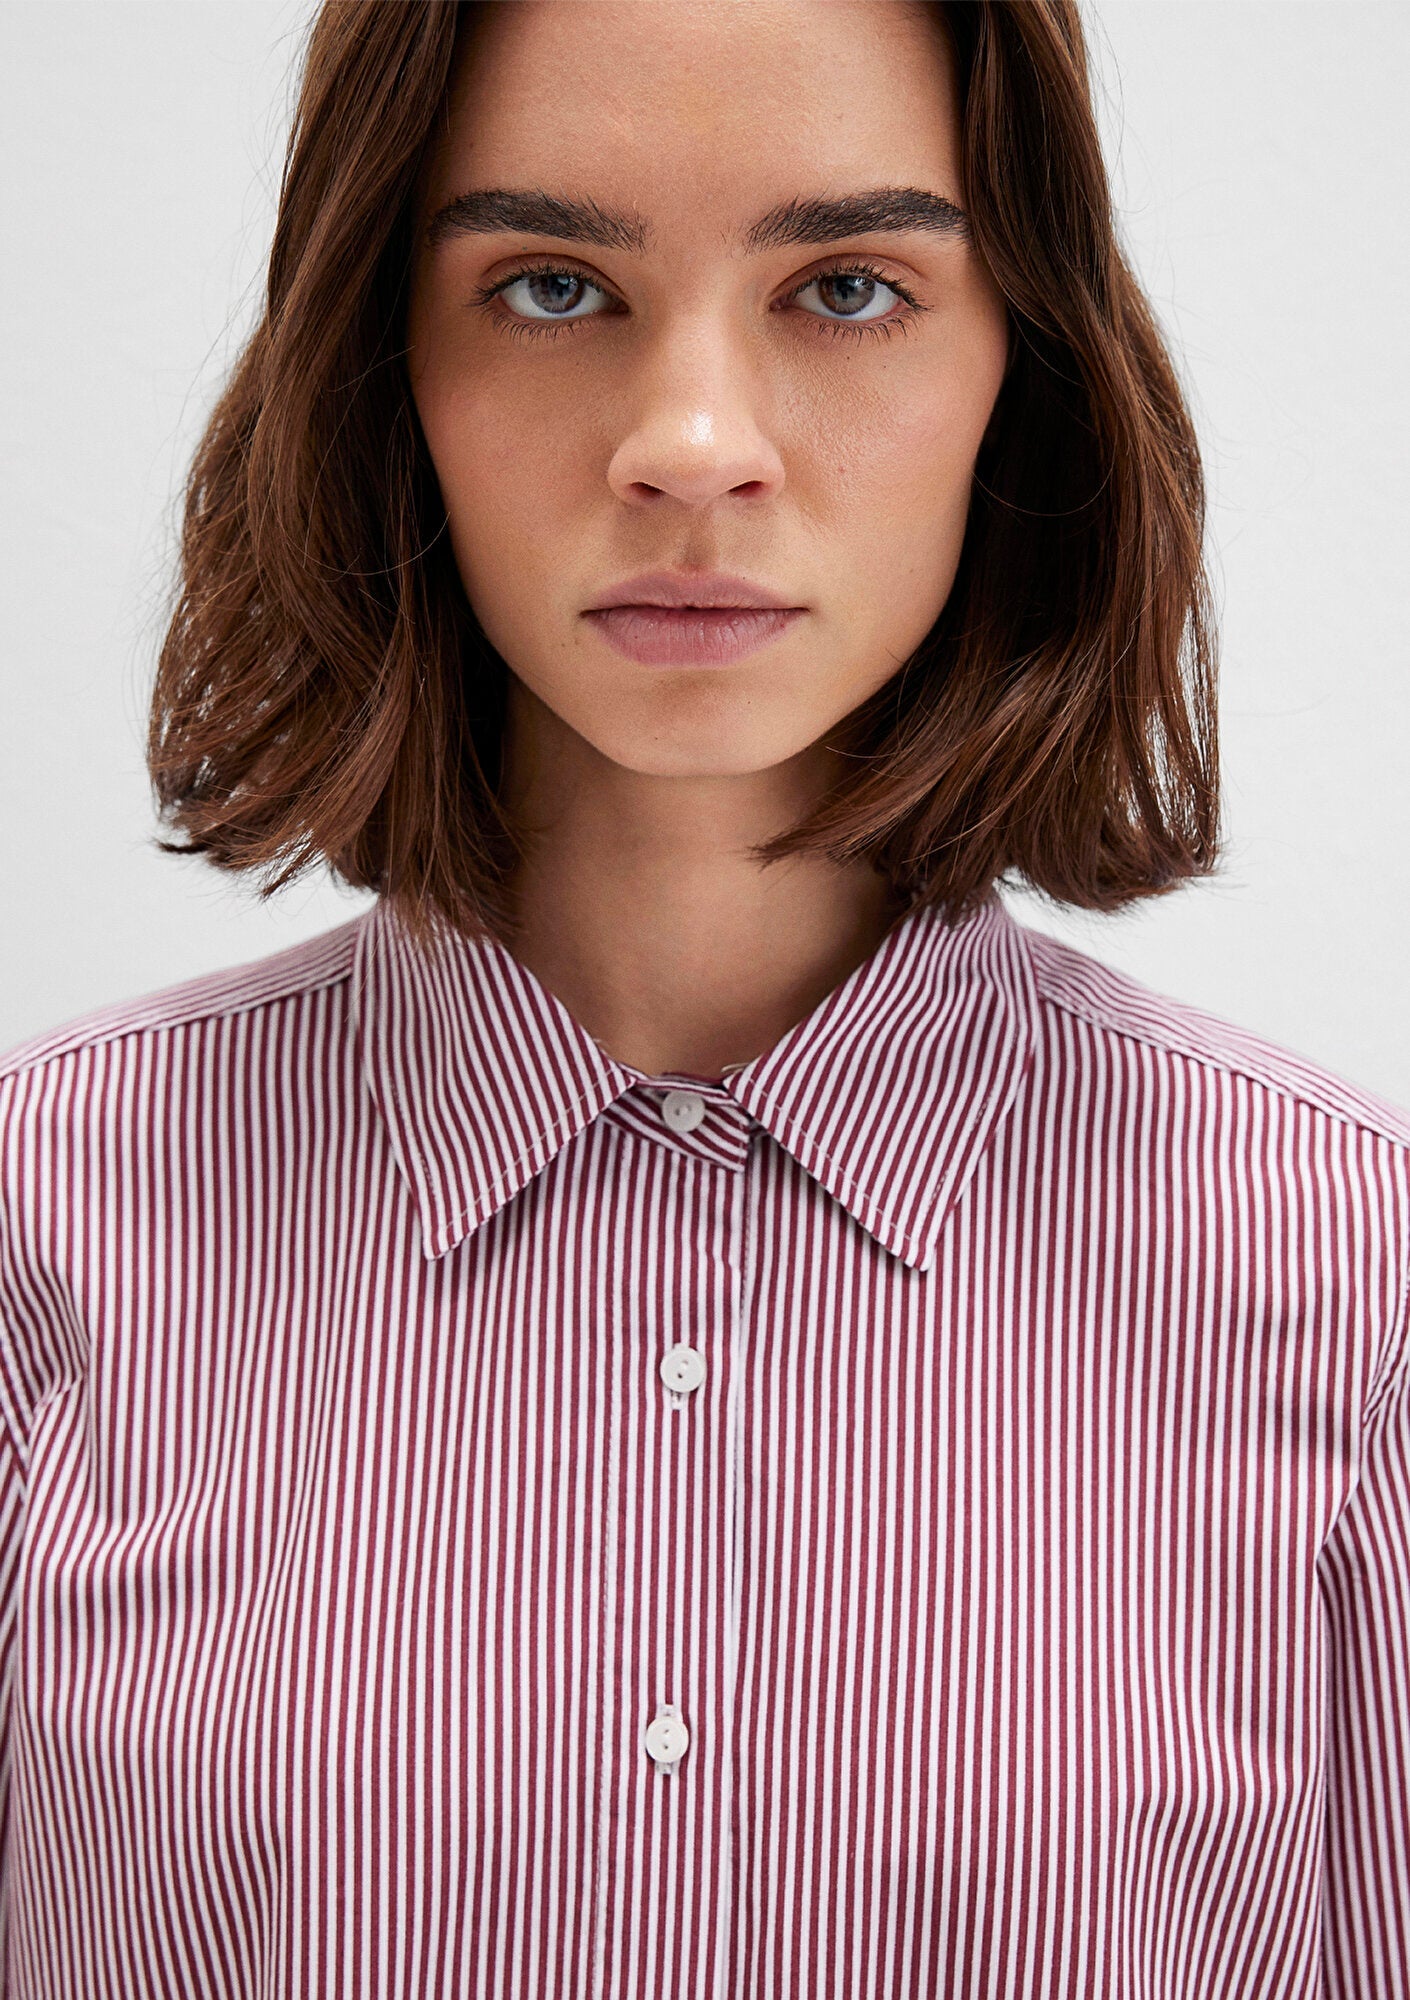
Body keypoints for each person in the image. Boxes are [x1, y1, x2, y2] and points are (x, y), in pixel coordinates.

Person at [0, 1, 1405, 1994]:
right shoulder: (41, 1237)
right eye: (550, 285)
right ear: (381, 365)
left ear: (1024, 369)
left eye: (846, 288)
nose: (690, 446)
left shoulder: (1356, 1288)